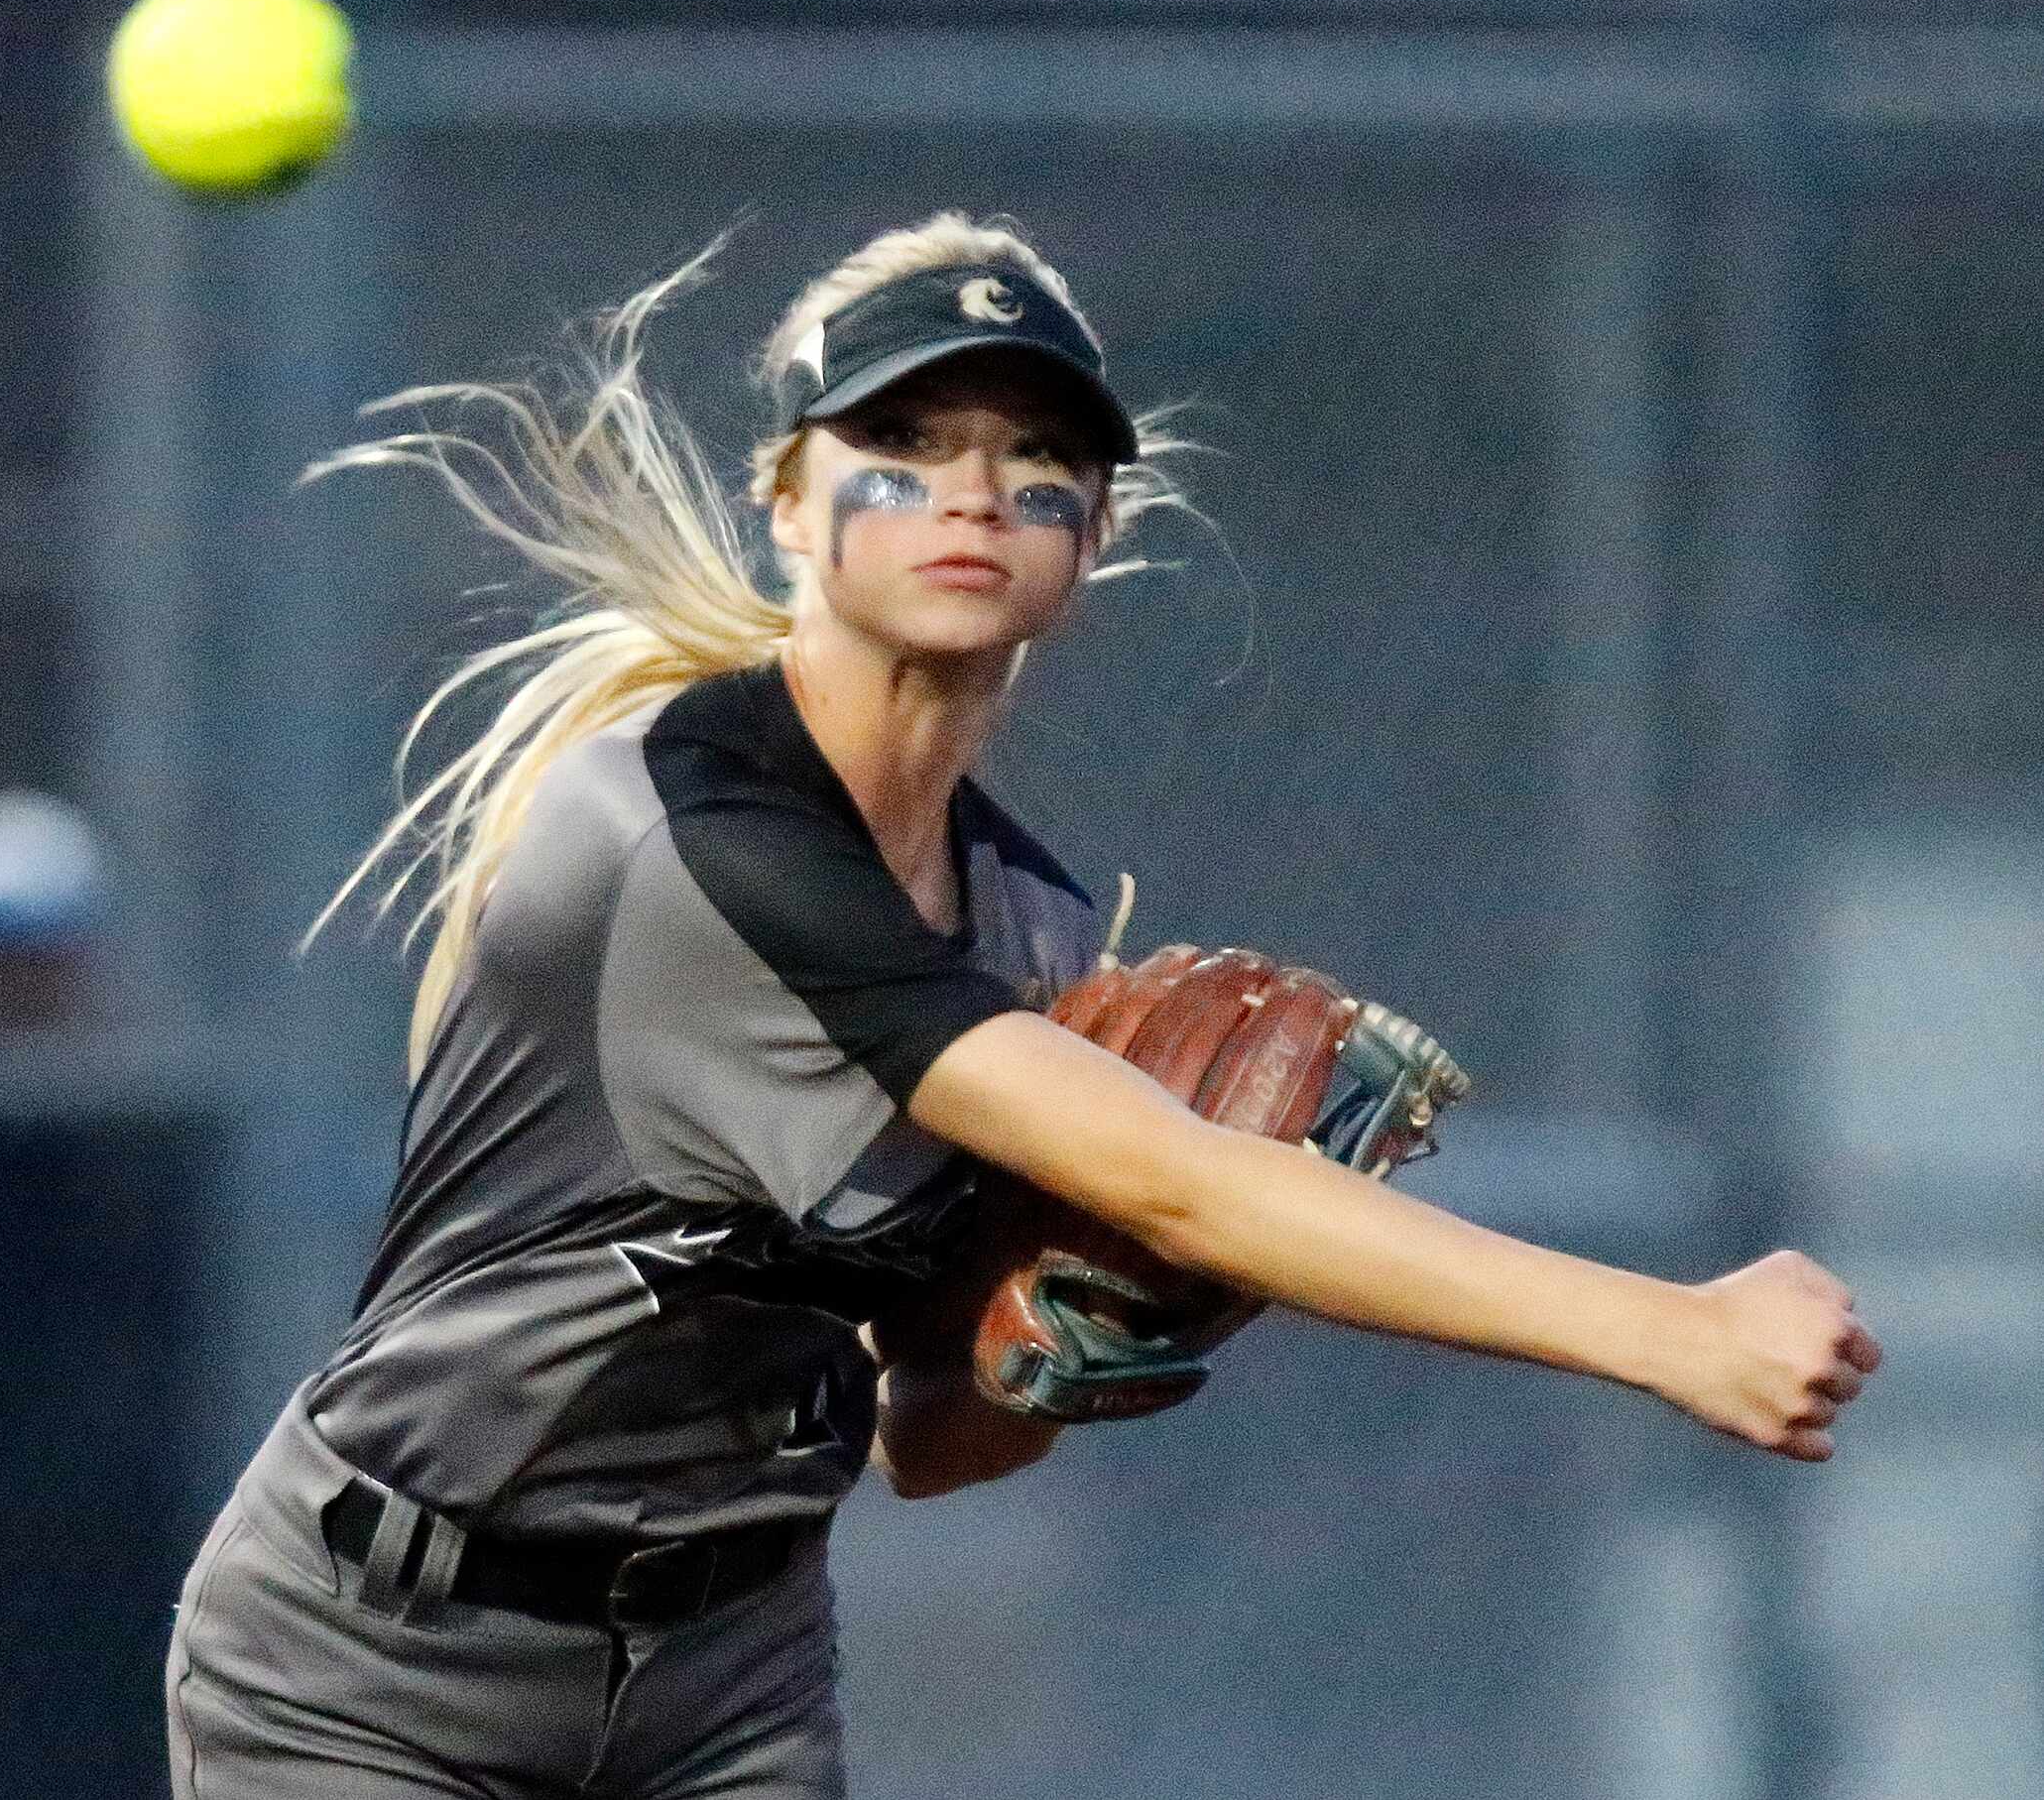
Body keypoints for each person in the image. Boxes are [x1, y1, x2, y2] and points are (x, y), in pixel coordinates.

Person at [163, 212, 1880, 1800]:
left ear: (1093, 534)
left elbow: (931, 1435)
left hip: (725, 1668)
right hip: (375, 1653)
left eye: (1034, 460)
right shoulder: (683, 827)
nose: (971, 496)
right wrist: (1669, 1331)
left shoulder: (1029, 917)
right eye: (898, 452)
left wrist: (1106, 1316)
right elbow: (1172, 1173)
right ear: (785, 504)